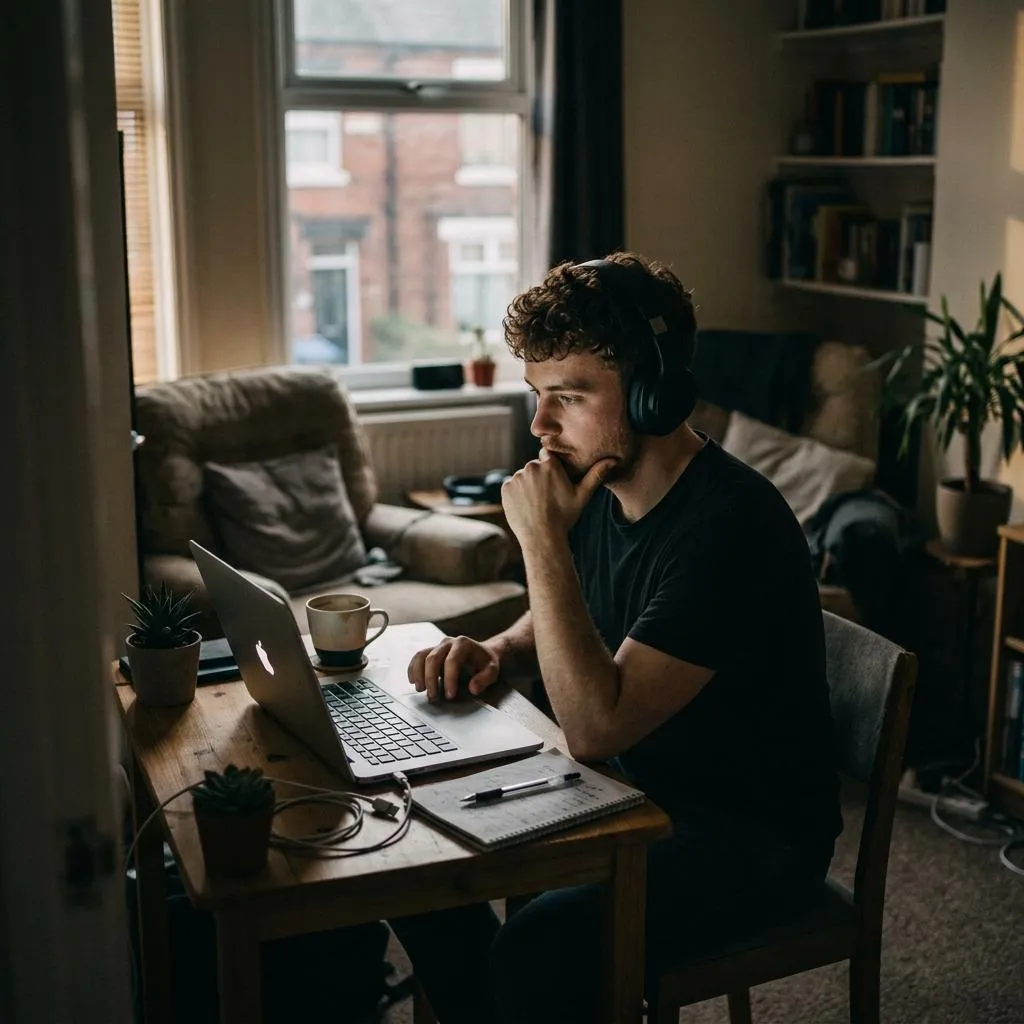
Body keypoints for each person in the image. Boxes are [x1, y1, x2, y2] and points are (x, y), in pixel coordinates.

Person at [390, 252, 842, 1024]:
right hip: (637, 794)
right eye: (537, 395)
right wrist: (498, 650)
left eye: (567, 396)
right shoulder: (600, 483)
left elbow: (595, 726)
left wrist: (541, 546)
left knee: (536, 953)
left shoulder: (730, 526)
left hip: (748, 835)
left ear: (654, 394)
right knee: (414, 864)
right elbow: (577, 616)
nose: (539, 426)